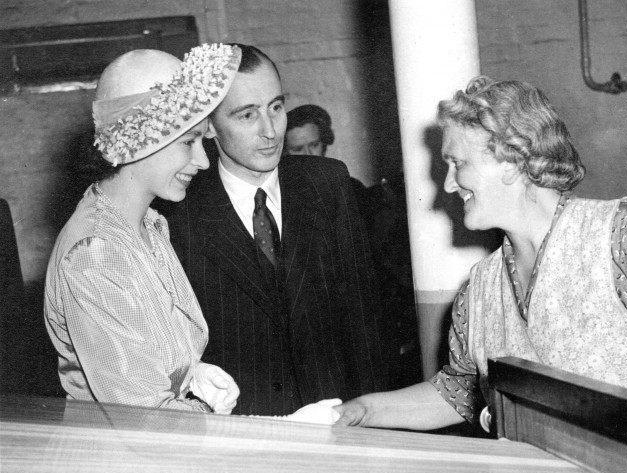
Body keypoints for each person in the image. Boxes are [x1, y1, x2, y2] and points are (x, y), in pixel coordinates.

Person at [334, 77, 627, 431]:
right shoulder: (479, 288)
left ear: (511, 160)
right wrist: (362, 410)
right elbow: (456, 392)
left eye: (457, 163)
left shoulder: (620, 234)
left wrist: (603, 433)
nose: (448, 185)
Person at [163, 44, 387, 416]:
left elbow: (364, 321)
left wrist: (375, 424)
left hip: (337, 420)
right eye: (247, 115)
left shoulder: (328, 183)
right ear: (209, 126)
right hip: (242, 434)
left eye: (276, 107)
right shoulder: (177, 213)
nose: (270, 131)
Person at [44, 44, 242, 415]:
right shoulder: (94, 253)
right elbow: (147, 420)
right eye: (189, 142)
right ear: (138, 140)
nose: (201, 161)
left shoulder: (149, 226)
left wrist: (189, 375)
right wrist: (277, 428)